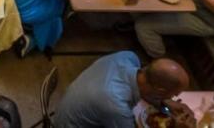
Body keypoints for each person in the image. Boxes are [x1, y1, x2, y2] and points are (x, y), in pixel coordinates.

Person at [53, 52, 191, 127]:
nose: (175, 97)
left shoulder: (127, 57)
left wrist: (163, 103)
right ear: (160, 90)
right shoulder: (116, 106)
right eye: (174, 94)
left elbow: (146, 87)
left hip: (68, 111)